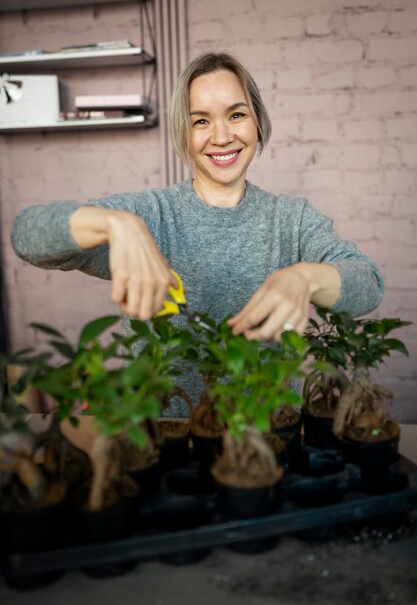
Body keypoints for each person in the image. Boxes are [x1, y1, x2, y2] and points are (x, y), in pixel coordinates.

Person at [11, 52, 384, 415]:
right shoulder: (149, 215)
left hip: (266, 439)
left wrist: (306, 278)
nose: (221, 136)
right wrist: (115, 224)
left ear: (257, 123)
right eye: (200, 121)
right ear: (183, 133)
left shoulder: (292, 220)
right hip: (158, 440)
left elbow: (368, 283)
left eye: (236, 115)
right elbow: (26, 235)